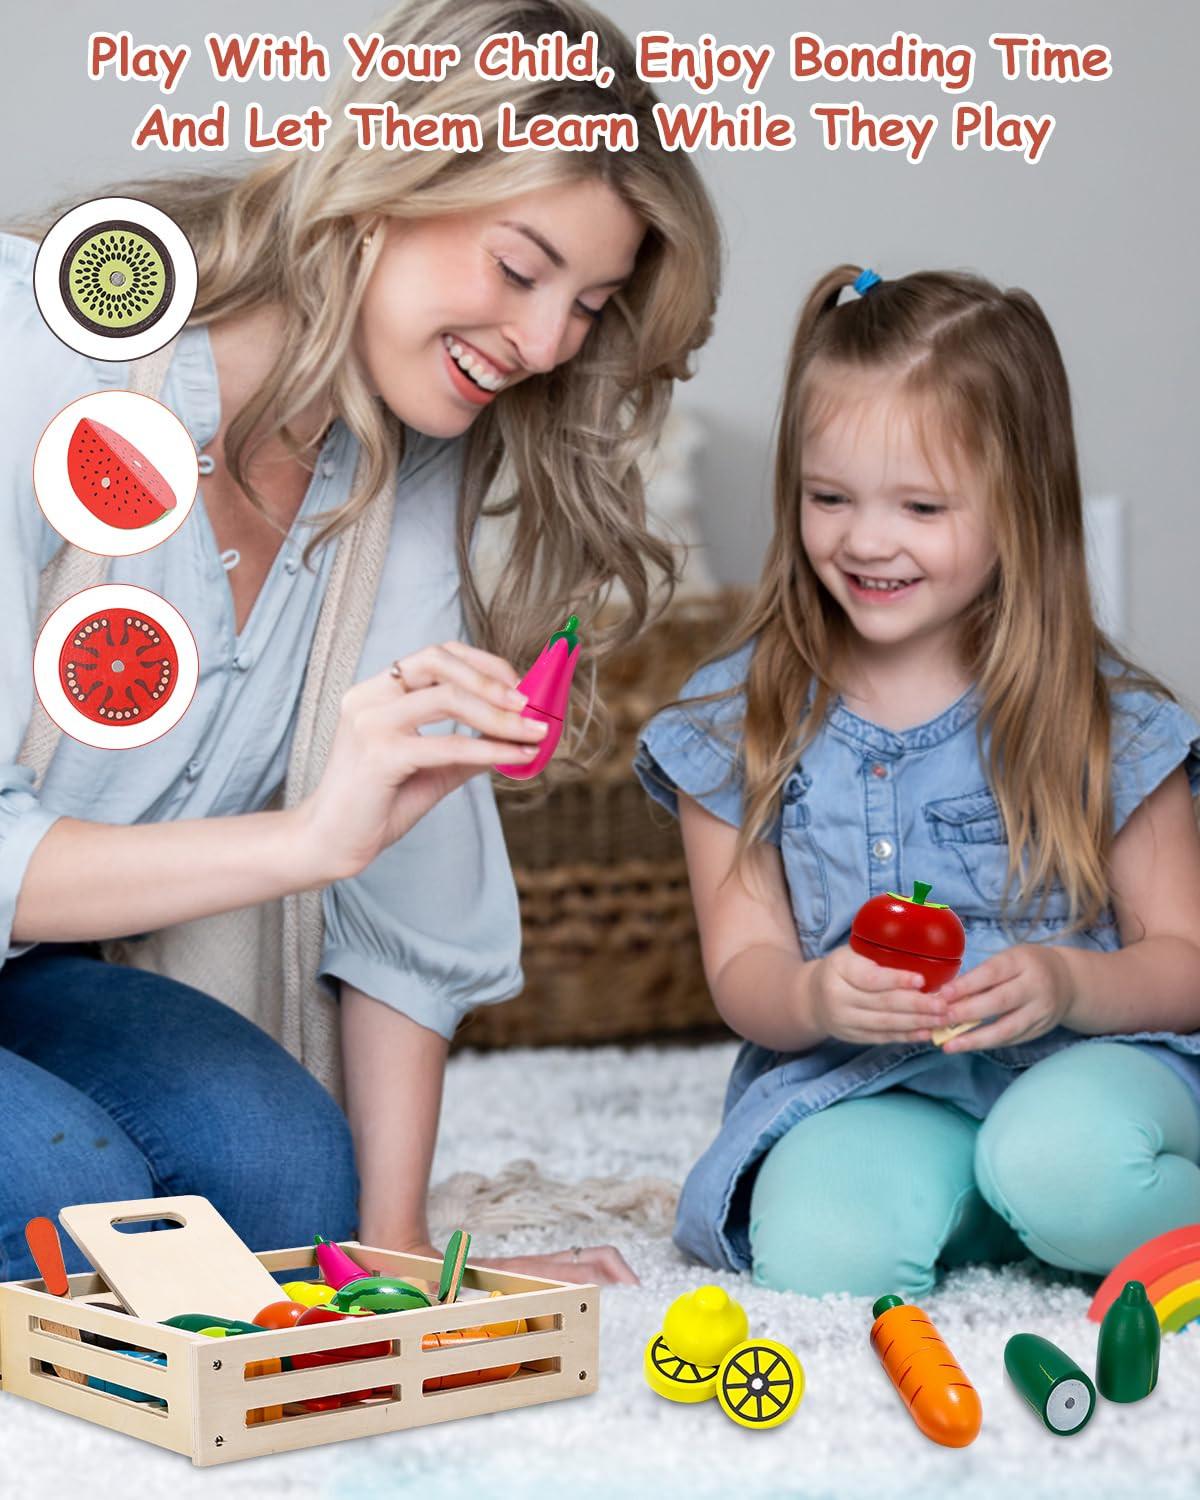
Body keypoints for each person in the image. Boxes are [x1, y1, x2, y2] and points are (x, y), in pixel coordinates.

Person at [0, 0, 721, 1287]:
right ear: (390, 169)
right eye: (520, 267)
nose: (549, 342)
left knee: (288, 1185)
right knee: (69, 1193)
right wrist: (303, 840)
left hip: (26, 970)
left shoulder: (404, 453)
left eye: (590, 304)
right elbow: (329, 841)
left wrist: (394, 1256)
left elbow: (405, 870)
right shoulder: (44, 361)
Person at [634, 264, 1200, 1298]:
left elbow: (1186, 964)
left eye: (922, 506)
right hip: (879, 1085)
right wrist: (814, 992)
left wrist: (1072, 983)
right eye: (829, 497)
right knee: (816, 1251)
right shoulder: (738, 720)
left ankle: (1059, 1198)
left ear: (1021, 507)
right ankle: (1004, 1211)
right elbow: (746, 972)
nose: (866, 540)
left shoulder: (1105, 715)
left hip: (1092, 1074)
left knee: (1067, 1164)